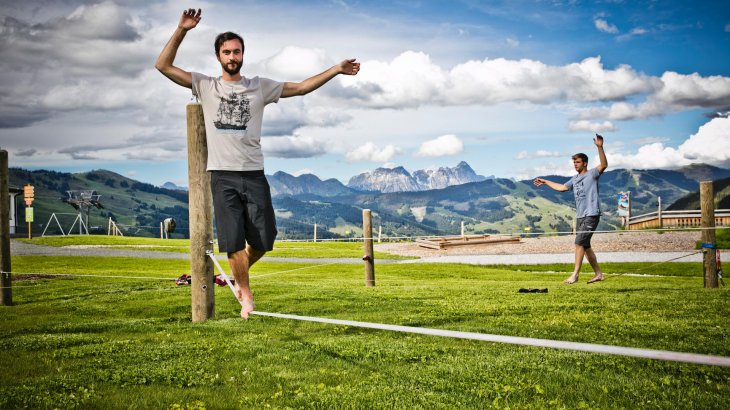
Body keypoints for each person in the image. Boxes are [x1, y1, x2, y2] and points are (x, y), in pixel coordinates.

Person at [156, 8, 360, 318]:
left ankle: (236, 276)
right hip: (222, 175)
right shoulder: (205, 85)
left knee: (264, 240)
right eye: (226, 51)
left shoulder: (260, 87)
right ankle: (246, 293)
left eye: (237, 51)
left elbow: (303, 87)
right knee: (233, 242)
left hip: (254, 174)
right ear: (218, 56)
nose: (232, 56)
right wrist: (182, 29)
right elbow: (163, 65)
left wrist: (336, 69)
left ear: (243, 54)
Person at [533, 135, 608, 284]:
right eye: (574, 162)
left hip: (591, 214)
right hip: (580, 216)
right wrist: (546, 181)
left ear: (585, 163)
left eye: (578, 162)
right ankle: (598, 274)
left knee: (578, 243)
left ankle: (575, 275)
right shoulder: (574, 179)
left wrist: (599, 147)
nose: (575, 164)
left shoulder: (592, 174)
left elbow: (604, 165)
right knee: (585, 246)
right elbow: (562, 188)